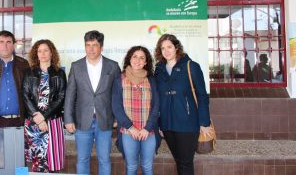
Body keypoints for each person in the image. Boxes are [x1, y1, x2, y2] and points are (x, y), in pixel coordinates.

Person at [154, 34, 212, 175]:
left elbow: (202, 95)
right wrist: (159, 124)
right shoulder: (159, 70)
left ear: (177, 47)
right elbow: (157, 99)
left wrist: (204, 122)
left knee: (186, 163)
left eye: (169, 47)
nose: (166, 51)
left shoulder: (191, 66)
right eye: (163, 48)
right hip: (167, 124)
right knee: (179, 161)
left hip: (187, 123)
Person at [64, 30, 121, 175]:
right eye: (88, 45)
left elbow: (118, 95)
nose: (91, 48)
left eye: (94, 45)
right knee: (82, 159)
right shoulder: (76, 66)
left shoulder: (113, 66)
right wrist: (68, 119)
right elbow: (70, 95)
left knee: (104, 159)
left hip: (105, 120)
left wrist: (117, 117)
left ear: (101, 47)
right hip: (82, 121)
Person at [112, 46, 160, 175]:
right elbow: (116, 107)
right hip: (128, 131)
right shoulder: (119, 79)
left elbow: (156, 106)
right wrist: (131, 127)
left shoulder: (151, 80)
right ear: (129, 59)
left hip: (148, 132)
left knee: (147, 166)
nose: (138, 60)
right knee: (132, 166)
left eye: (142, 58)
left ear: (146, 62)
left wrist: (147, 128)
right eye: (135, 56)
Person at [22, 39, 67, 172]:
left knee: (52, 160)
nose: (43, 53)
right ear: (36, 53)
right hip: (33, 122)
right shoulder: (29, 72)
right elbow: (25, 96)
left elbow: (61, 97)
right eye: (39, 50)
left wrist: (44, 117)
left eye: (46, 50)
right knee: (38, 161)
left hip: (52, 121)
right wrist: (38, 118)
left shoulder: (60, 73)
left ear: (51, 53)